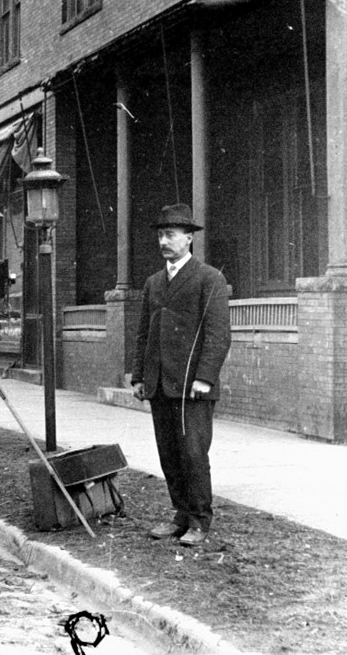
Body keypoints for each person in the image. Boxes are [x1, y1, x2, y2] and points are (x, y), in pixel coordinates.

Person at [131, 203, 231, 546]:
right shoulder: (153, 283)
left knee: (192, 454)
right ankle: (180, 515)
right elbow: (144, 333)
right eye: (160, 234)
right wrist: (140, 376)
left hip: (193, 386)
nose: (164, 240)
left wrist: (205, 377)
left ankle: (200, 520)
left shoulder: (210, 279)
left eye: (171, 234)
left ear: (189, 238)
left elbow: (219, 334)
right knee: (169, 453)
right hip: (160, 384)